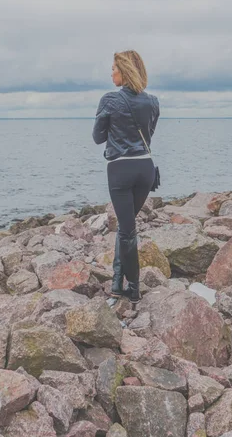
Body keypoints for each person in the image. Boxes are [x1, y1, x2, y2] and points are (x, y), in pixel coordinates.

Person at [92, 50, 160, 303]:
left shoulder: (109, 100)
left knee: (128, 230)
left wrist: (110, 125)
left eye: (113, 68)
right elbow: (148, 135)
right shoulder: (153, 101)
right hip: (145, 168)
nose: (111, 73)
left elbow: (98, 137)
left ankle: (133, 287)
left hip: (120, 169)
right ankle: (117, 282)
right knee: (126, 226)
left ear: (124, 70)